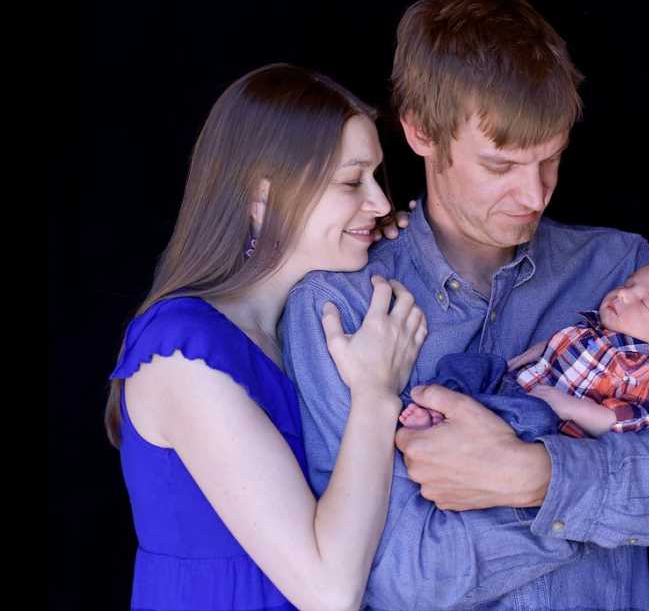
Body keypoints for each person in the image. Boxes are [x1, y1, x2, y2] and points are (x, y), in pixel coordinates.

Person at [282, 0, 649, 610]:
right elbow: (405, 580)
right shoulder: (342, 308)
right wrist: (606, 501)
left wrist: (536, 476)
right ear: (420, 132)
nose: (534, 194)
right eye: (501, 164)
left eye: (552, 158)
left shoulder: (622, 271)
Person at [105, 64, 427, 611]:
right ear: (262, 197)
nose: (378, 202)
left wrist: (404, 246)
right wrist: (376, 394)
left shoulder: (287, 329)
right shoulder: (183, 350)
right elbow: (329, 593)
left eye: (377, 177)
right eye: (352, 181)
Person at [400, 258, 649, 437]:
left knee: (523, 419)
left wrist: (568, 407)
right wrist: (521, 359)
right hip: (515, 383)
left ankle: (449, 425)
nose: (623, 294)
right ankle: (442, 406)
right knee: (470, 364)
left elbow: (625, 419)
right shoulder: (594, 328)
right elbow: (551, 347)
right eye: (629, 284)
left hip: (545, 416)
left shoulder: (645, 367)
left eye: (644, 302)